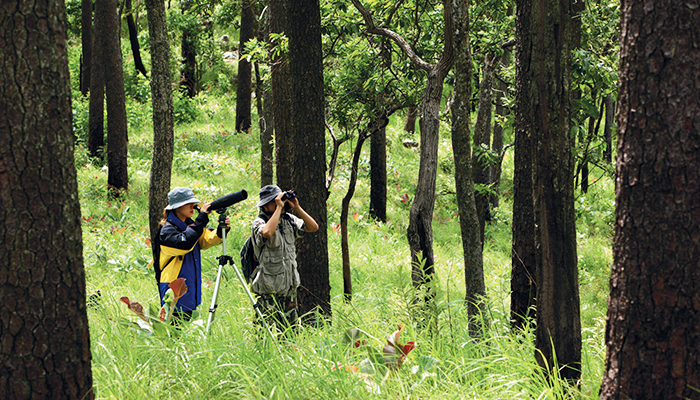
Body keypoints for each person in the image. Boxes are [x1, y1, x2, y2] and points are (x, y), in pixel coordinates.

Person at [156, 187, 231, 321]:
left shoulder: (189, 225)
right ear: (177, 207)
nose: (193, 206)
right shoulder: (167, 230)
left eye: (193, 202)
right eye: (188, 203)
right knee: (174, 331)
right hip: (173, 288)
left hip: (188, 285)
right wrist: (201, 219)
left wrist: (221, 230)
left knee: (184, 328)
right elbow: (186, 243)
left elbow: (204, 239)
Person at [251, 185, 318, 332]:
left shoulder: (288, 220)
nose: (277, 204)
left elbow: (313, 227)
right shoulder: (259, 223)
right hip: (268, 289)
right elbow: (267, 232)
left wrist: (297, 207)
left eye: (279, 201)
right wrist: (278, 209)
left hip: (289, 288)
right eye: (273, 202)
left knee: (290, 333)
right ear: (264, 205)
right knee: (264, 334)